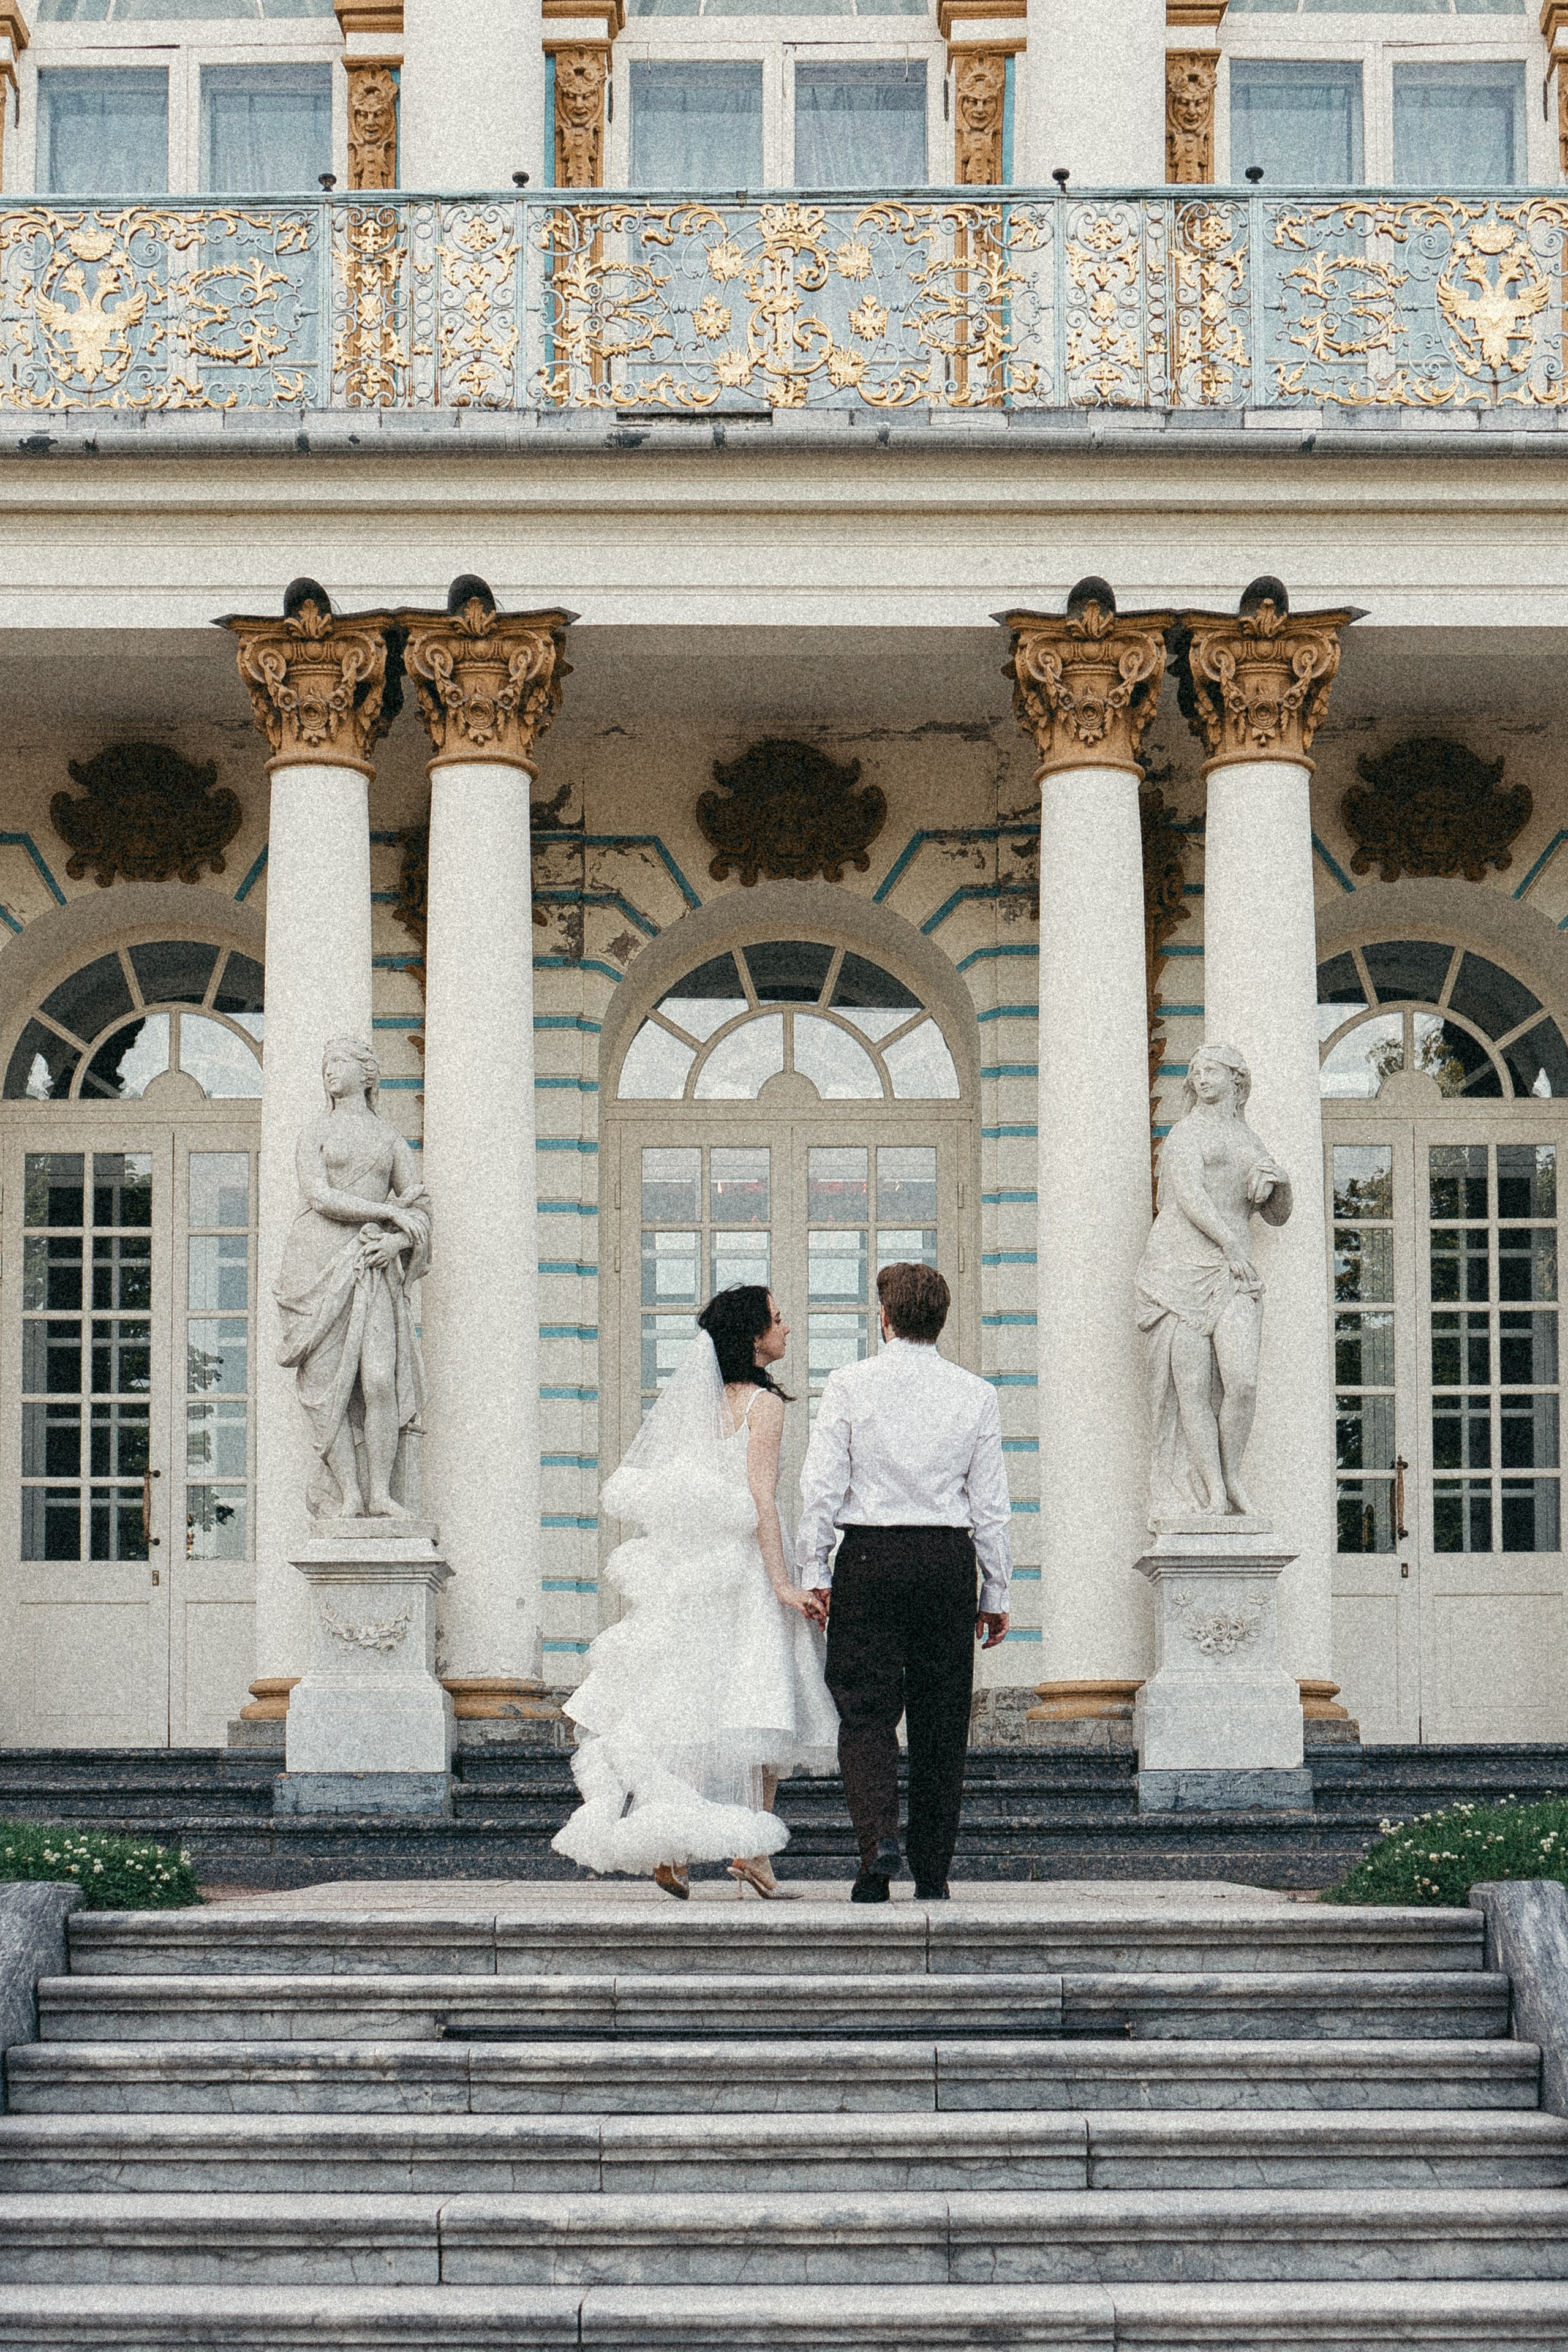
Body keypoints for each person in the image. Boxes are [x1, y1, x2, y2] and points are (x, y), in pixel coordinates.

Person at [552, 1286, 838, 1898]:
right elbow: (761, 1501)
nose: (787, 1329)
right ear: (753, 1337)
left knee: (691, 1699)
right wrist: (785, 1584)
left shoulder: (696, 1403)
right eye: (778, 1320)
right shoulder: (764, 1405)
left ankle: (673, 1845)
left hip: (692, 1572)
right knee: (761, 1701)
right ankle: (754, 1853)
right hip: (747, 1568)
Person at [797, 1262, 1012, 1904]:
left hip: (870, 1556)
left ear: (884, 1318)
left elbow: (820, 1487)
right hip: (947, 1559)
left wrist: (814, 1570)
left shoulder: (849, 1385)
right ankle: (934, 1869)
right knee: (941, 1718)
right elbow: (991, 1504)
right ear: (940, 1321)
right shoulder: (976, 1394)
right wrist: (995, 1591)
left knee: (865, 1714)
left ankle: (877, 1849)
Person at [274, 1037, 431, 1521]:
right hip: (314, 1263)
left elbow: (421, 1209)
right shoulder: (315, 1132)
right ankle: (351, 1496)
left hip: (371, 1264)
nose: (329, 1071)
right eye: (325, 1064)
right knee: (328, 1390)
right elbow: (319, 1196)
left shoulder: (389, 1139)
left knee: (380, 1380)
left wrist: (397, 1243)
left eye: (338, 1062)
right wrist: (387, 1212)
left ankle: (382, 1493)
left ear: (368, 1074)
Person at [1135, 1039, 1292, 1523]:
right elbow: (1189, 1197)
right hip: (1179, 1267)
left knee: (1242, 1380)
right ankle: (1214, 1493)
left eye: (1211, 1071)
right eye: (1196, 1071)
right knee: (1193, 1389)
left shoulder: (1250, 1140)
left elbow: (1278, 1216)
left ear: (1236, 1080)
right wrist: (1231, 1245)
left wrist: (1280, 1182)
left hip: (1232, 1272)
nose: (1201, 1079)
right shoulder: (1187, 1133)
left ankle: (1233, 1475)